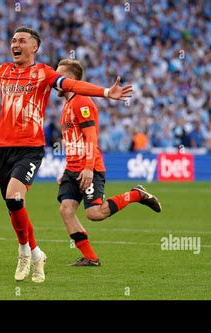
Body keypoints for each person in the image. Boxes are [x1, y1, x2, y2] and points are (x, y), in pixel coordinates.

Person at [0, 27, 132, 282]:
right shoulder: (4, 71)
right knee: (13, 205)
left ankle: (24, 251)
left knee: (14, 197)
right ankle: (36, 251)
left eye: (22, 40)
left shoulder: (44, 74)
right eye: (13, 40)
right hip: (3, 149)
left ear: (34, 47)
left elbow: (72, 84)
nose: (15, 44)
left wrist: (106, 92)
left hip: (30, 149)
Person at [56, 59, 161, 266]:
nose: (56, 81)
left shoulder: (82, 101)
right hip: (72, 169)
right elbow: (73, 141)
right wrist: (66, 169)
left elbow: (91, 137)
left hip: (90, 168)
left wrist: (87, 168)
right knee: (66, 210)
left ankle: (136, 194)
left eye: (60, 77)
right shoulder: (67, 104)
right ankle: (90, 257)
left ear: (72, 80)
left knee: (94, 213)